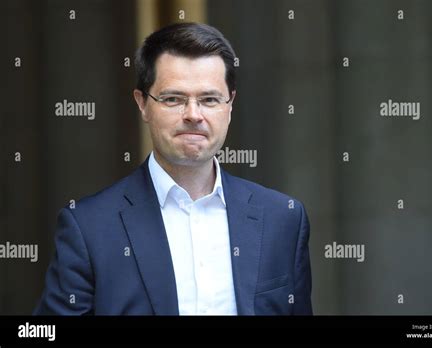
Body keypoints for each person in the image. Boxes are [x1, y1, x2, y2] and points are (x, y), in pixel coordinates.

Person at [34, 22, 312, 315]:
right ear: (142, 104)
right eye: (173, 99)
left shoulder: (284, 220)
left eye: (209, 99)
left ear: (230, 104)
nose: (193, 114)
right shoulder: (88, 228)